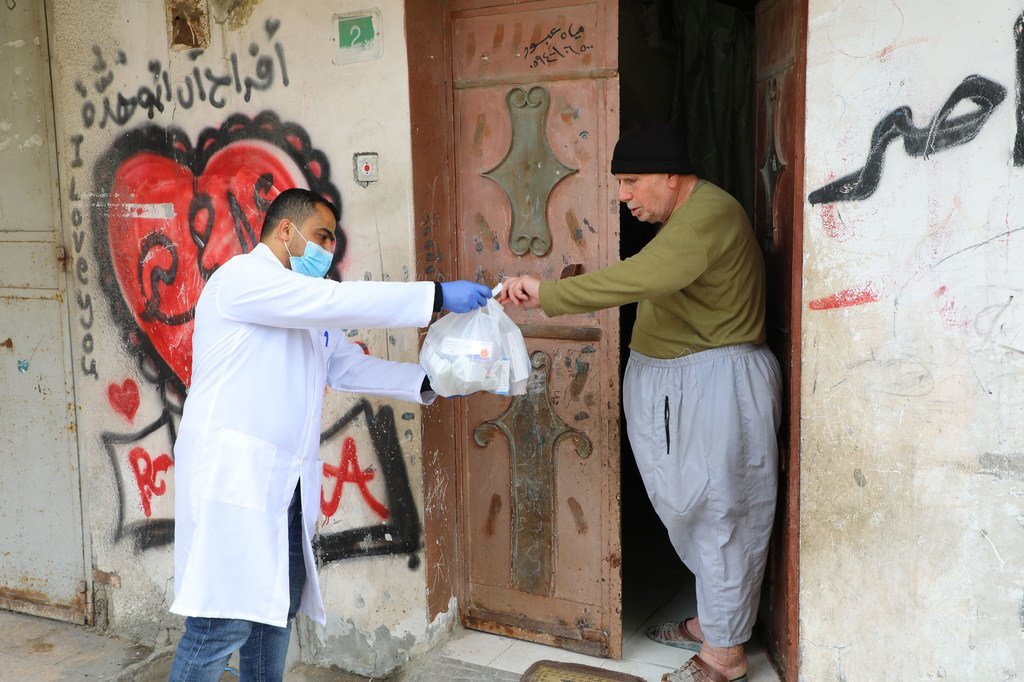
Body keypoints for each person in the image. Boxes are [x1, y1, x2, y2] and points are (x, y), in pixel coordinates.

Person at [168, 187, 491, 681]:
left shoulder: (304, 306)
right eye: (320, 236)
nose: (327, 251)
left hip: (285, 485)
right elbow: (337, 300)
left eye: (333, 242)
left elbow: (344, 367)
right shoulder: (243, 280)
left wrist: (429, 382)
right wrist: (437, 295)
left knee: (275, 612)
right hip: (231, 479)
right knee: (221, 624)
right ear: (284, 231)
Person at [500, 123, 781, 682]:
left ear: (671, 177)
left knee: (720, 509)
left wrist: (550, 294)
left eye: (631, 181)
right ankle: (716, 621)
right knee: (692, 507)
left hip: (717, 385)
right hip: (688, 381)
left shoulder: (710, 215)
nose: (622, 194)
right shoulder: (689, 214)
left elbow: (647, 276)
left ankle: (724, 657)